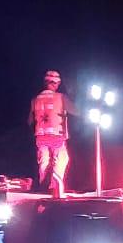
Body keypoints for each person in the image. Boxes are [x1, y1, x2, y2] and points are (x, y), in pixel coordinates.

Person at [29, 69, 77, 197]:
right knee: (61, 159)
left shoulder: (35, 99)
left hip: (40, 136)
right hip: (56, 135)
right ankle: (54, 186)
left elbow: (29, 121)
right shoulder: (60, 98)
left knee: (44, 161)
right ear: (56, 83)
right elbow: (76, 111)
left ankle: (43, 186)